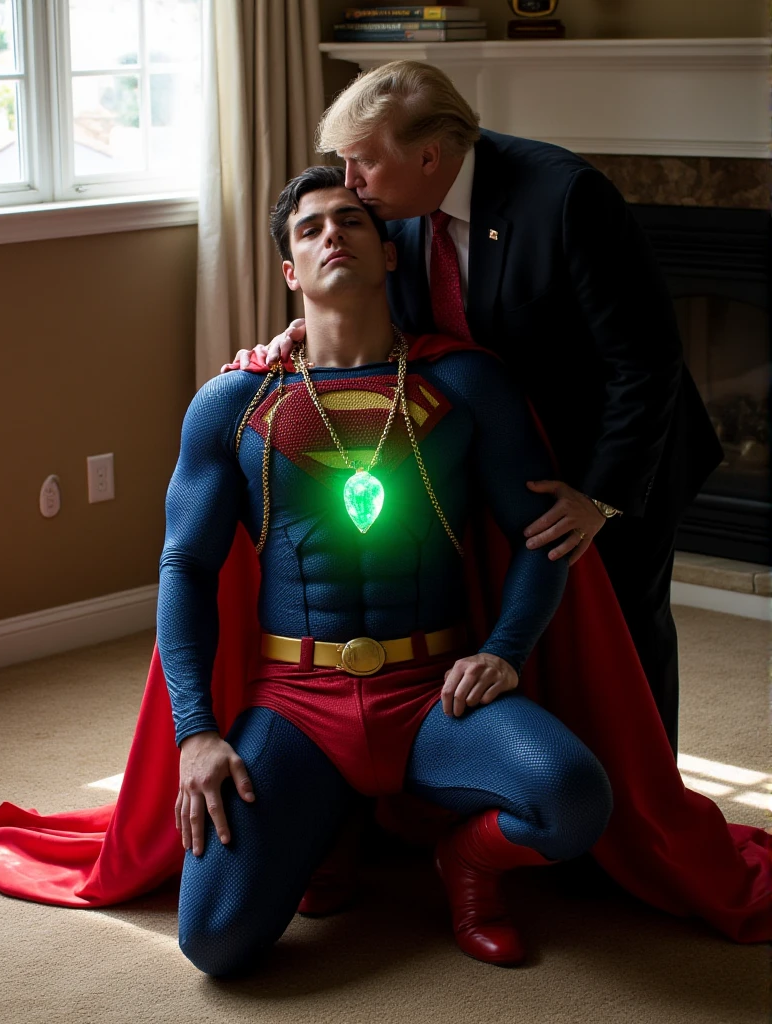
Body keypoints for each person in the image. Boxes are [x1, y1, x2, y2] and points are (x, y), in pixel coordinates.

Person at [160, 165, 613, 976]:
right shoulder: (233, 402)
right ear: (291, 272)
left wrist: (505, 650)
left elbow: (543, 533)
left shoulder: (465, 383)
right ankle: (327, 825)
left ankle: (464, 863)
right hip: (295, 701)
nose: (333, 233)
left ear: (391, 253)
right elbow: (186, 567)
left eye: (352, 220)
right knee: (217, 942)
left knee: (574, 797)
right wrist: (194, 731)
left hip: (435, 691)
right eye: (310, 228)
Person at [231, 61, 724, 756]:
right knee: (530, 633)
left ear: (429, 156)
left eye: (363, 159)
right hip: (509, 456)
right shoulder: (392, 212)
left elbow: (646, 360)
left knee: (624, 640)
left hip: (614, 459)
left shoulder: (564, 196)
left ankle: (646, 808)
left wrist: (600, 499)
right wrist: (301, 332)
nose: (350, 179)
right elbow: (386, 311)